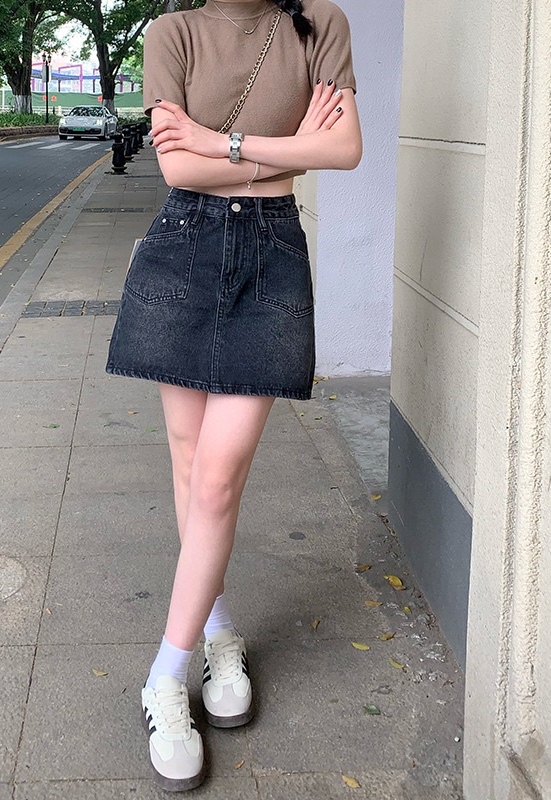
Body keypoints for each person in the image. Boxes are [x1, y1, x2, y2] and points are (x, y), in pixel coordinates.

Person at [106, 0, 362, 791]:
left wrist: (225, 143)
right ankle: (218, 633)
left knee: (218, 477)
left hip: (272, 257)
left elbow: (344, 148)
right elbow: (178, 171)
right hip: (182, 248)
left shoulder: (320, 24)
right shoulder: (172, 33)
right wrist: (287, 157)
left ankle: (164, 674)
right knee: (191, 466)